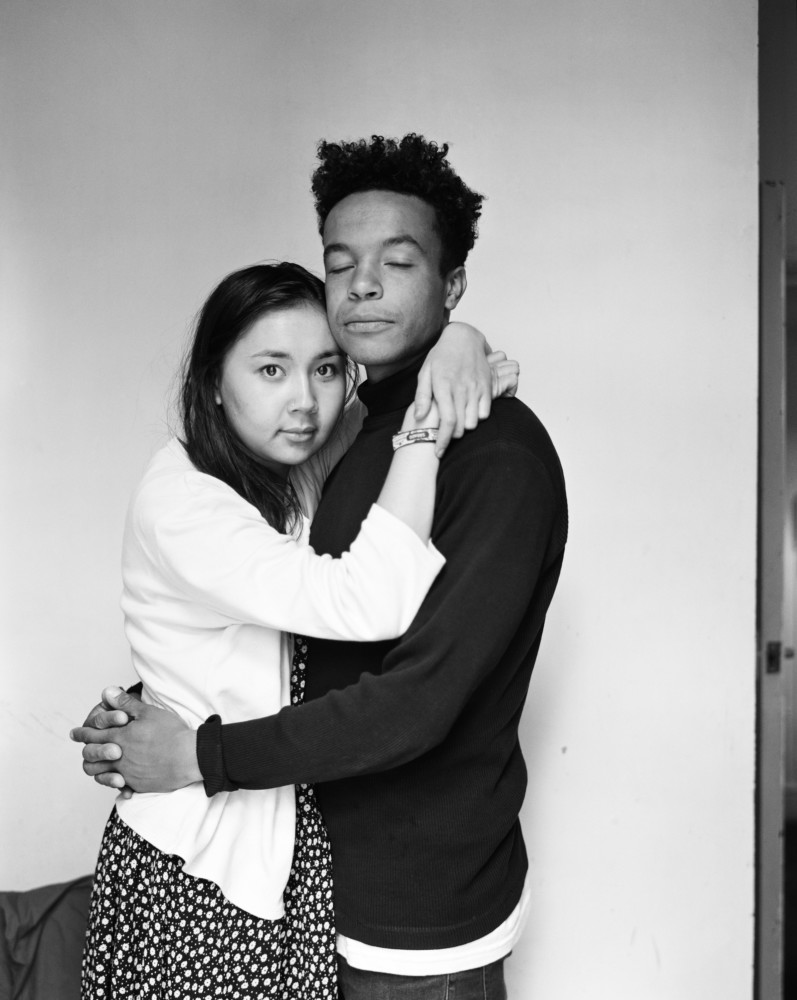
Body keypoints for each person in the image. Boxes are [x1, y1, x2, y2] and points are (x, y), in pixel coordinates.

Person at [74, 134, 568, 999]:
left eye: (398, 263)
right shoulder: (344, 440)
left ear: (450, 283)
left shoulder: (493, 458)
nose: (363, 285)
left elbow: (412, 702)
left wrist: (199, 750)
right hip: (307, 880)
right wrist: (167, 693)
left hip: (414, 912)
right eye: (341, 265)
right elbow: (288, 627)